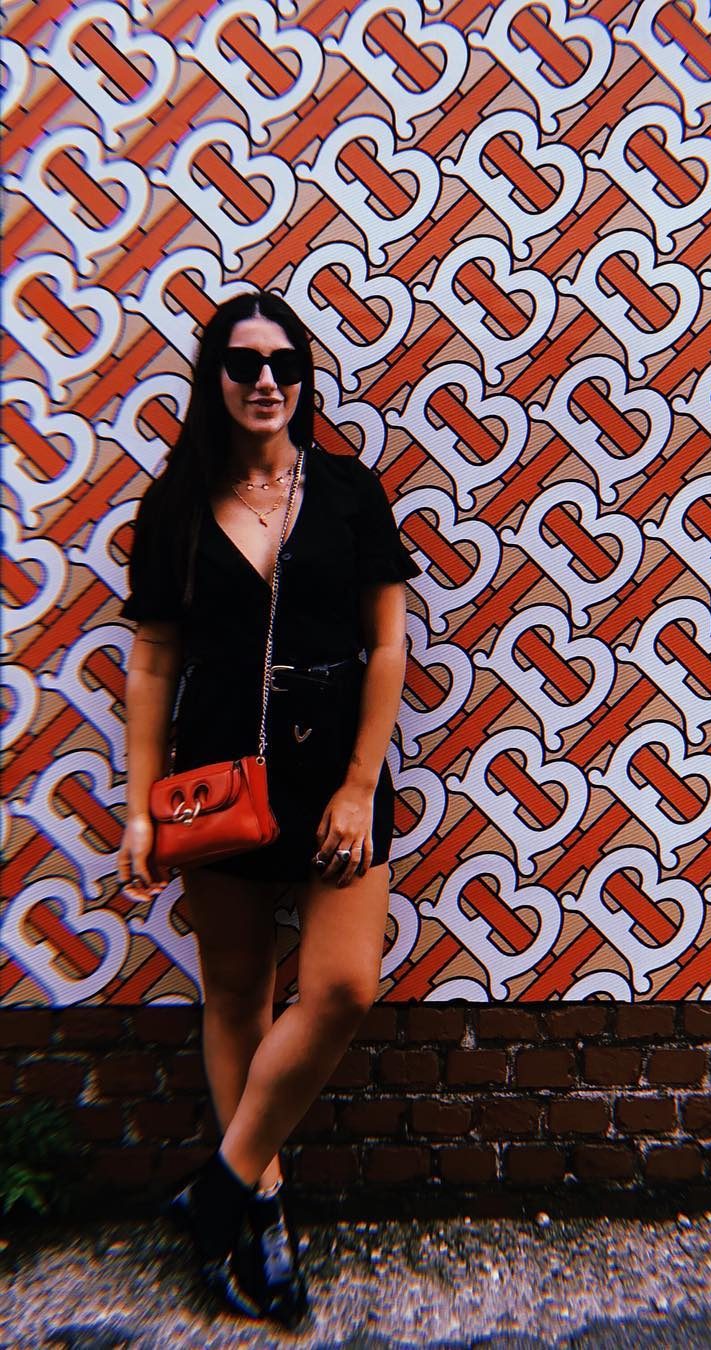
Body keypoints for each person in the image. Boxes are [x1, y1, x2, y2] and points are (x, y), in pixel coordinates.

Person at [116, 290, 420, 1328]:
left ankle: (217, 1187)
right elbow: (153, 662)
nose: (264, 381)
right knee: (237, 993)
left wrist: (357, 785)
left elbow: (389, 644)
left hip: (334, 769)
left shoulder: (346, 491)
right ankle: (263, 1204)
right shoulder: (175, 505)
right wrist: (140, 809)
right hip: (215, 770)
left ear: (304, 377)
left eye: (283, 363)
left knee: (340, 986)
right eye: (242, 362)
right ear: (214, 378)